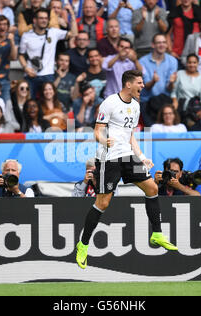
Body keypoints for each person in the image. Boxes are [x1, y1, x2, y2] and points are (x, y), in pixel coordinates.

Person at [75, 70, 177, 270]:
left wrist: (142, 157)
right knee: (103, 203)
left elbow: (130, 136)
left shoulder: (136, 106)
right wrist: (105, 140)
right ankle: (83, 244)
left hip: (128, 156)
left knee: (152, 188)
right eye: (140, 82)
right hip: (108, 158)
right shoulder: (109, 102)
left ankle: (156, 234)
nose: (143, 86)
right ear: (128, 84)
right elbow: (97, 130)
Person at [19, 8, 78, 99]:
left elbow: (74, 34)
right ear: (35, 20)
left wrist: (72, 16)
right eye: (41, 18)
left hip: (48, 75)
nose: (44, 20)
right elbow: (21, 55)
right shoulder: (26, 36)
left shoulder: (53, 32)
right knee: (30, 103)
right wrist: (26, 68)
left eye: (46, 18)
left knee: (49, 102)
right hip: (31, 75)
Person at [139, 33, 178, 125]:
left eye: (164, 42)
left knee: (165, 131)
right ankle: (147, 139)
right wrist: (153, 81)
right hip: (147, 101)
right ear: (153, 45)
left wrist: (171, 83)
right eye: (159, 42)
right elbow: (145, 87)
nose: (162, 45)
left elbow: (170, 88)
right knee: (148, 132)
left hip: (165, 101)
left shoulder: (172, 61)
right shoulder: (142, 61)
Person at [171, 53, 201, 119]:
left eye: (194, 62)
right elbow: (173, 91)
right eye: (189, 62)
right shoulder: (180, 74)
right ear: (186, 63)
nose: (192, 65)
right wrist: (174, 101)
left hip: (195, 108)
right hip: (181, 107)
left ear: (198, 64)